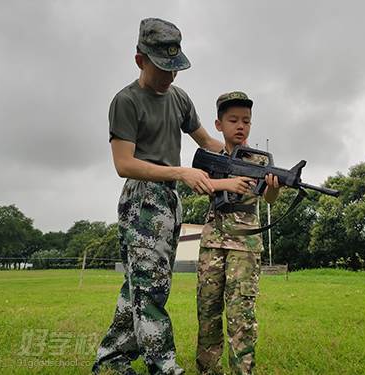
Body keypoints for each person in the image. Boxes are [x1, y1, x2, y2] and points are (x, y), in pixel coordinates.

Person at [92, 18, 224, 375]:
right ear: (140, 60)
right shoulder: (126, 101)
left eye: (175, 68)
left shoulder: (179, 98)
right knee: (150, 288)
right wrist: (181, 171)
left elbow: (208, 142)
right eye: (162, 68)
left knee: (139, 284)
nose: (170, 76)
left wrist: (242, 158)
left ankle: (111, 360)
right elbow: (124, 164)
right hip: (141, 201)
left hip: (170, 199)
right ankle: (163, 366)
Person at [196, 91, 280, 375]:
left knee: (240, 314)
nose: (240, 126)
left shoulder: (260, 162)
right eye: (233, 120)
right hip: (212, 243)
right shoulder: (211, 158)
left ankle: (242, 371)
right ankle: (207, 369)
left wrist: (275, 186)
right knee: (207, 310)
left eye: (246, 120)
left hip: (245, 244)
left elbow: (269, 199)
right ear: (219, 124)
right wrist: (227, 184)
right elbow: (198, 184)